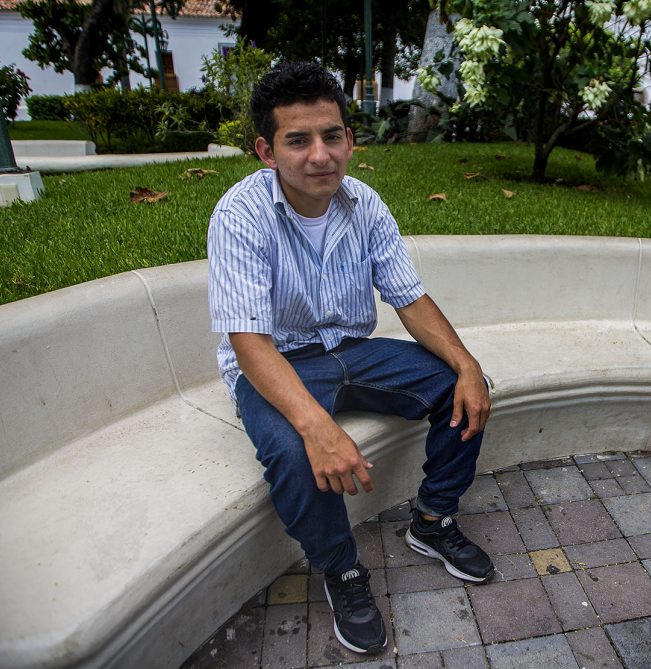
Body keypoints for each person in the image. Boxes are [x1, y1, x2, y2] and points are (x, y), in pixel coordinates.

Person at [207, 61, 494, 655]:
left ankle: (433, 520)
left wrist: (466, 364)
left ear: (349, 139)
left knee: (464, 387)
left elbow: (409, 298)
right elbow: (248, 341)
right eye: (298, 140)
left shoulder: (363, 204)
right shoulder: (240, 215)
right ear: (266, 151)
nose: (321, 155)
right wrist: (317, 427)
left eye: (332, 135)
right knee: (294, 451)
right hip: (279, 361)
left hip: (353, 352)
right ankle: (341, 571)